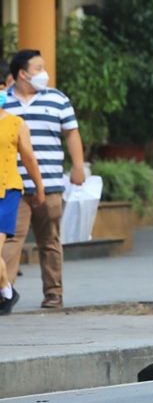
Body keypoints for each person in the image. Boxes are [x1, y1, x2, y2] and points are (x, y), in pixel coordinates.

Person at [1, 49, 86, 309]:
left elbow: (71, 134)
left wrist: (78, 167)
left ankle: (53, 293)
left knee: (49, 239)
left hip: (49, 183)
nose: (43, 73)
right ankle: (6, 292)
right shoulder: (6, 102)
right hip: (14, 185)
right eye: (38, 68)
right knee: (11, 239)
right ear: (22, 73)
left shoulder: (57, 99)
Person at [0, 63, 45, 315]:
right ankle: (7, 291)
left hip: (7, 192)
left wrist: (39, 189)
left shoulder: (16, 124)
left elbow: (29, 159)